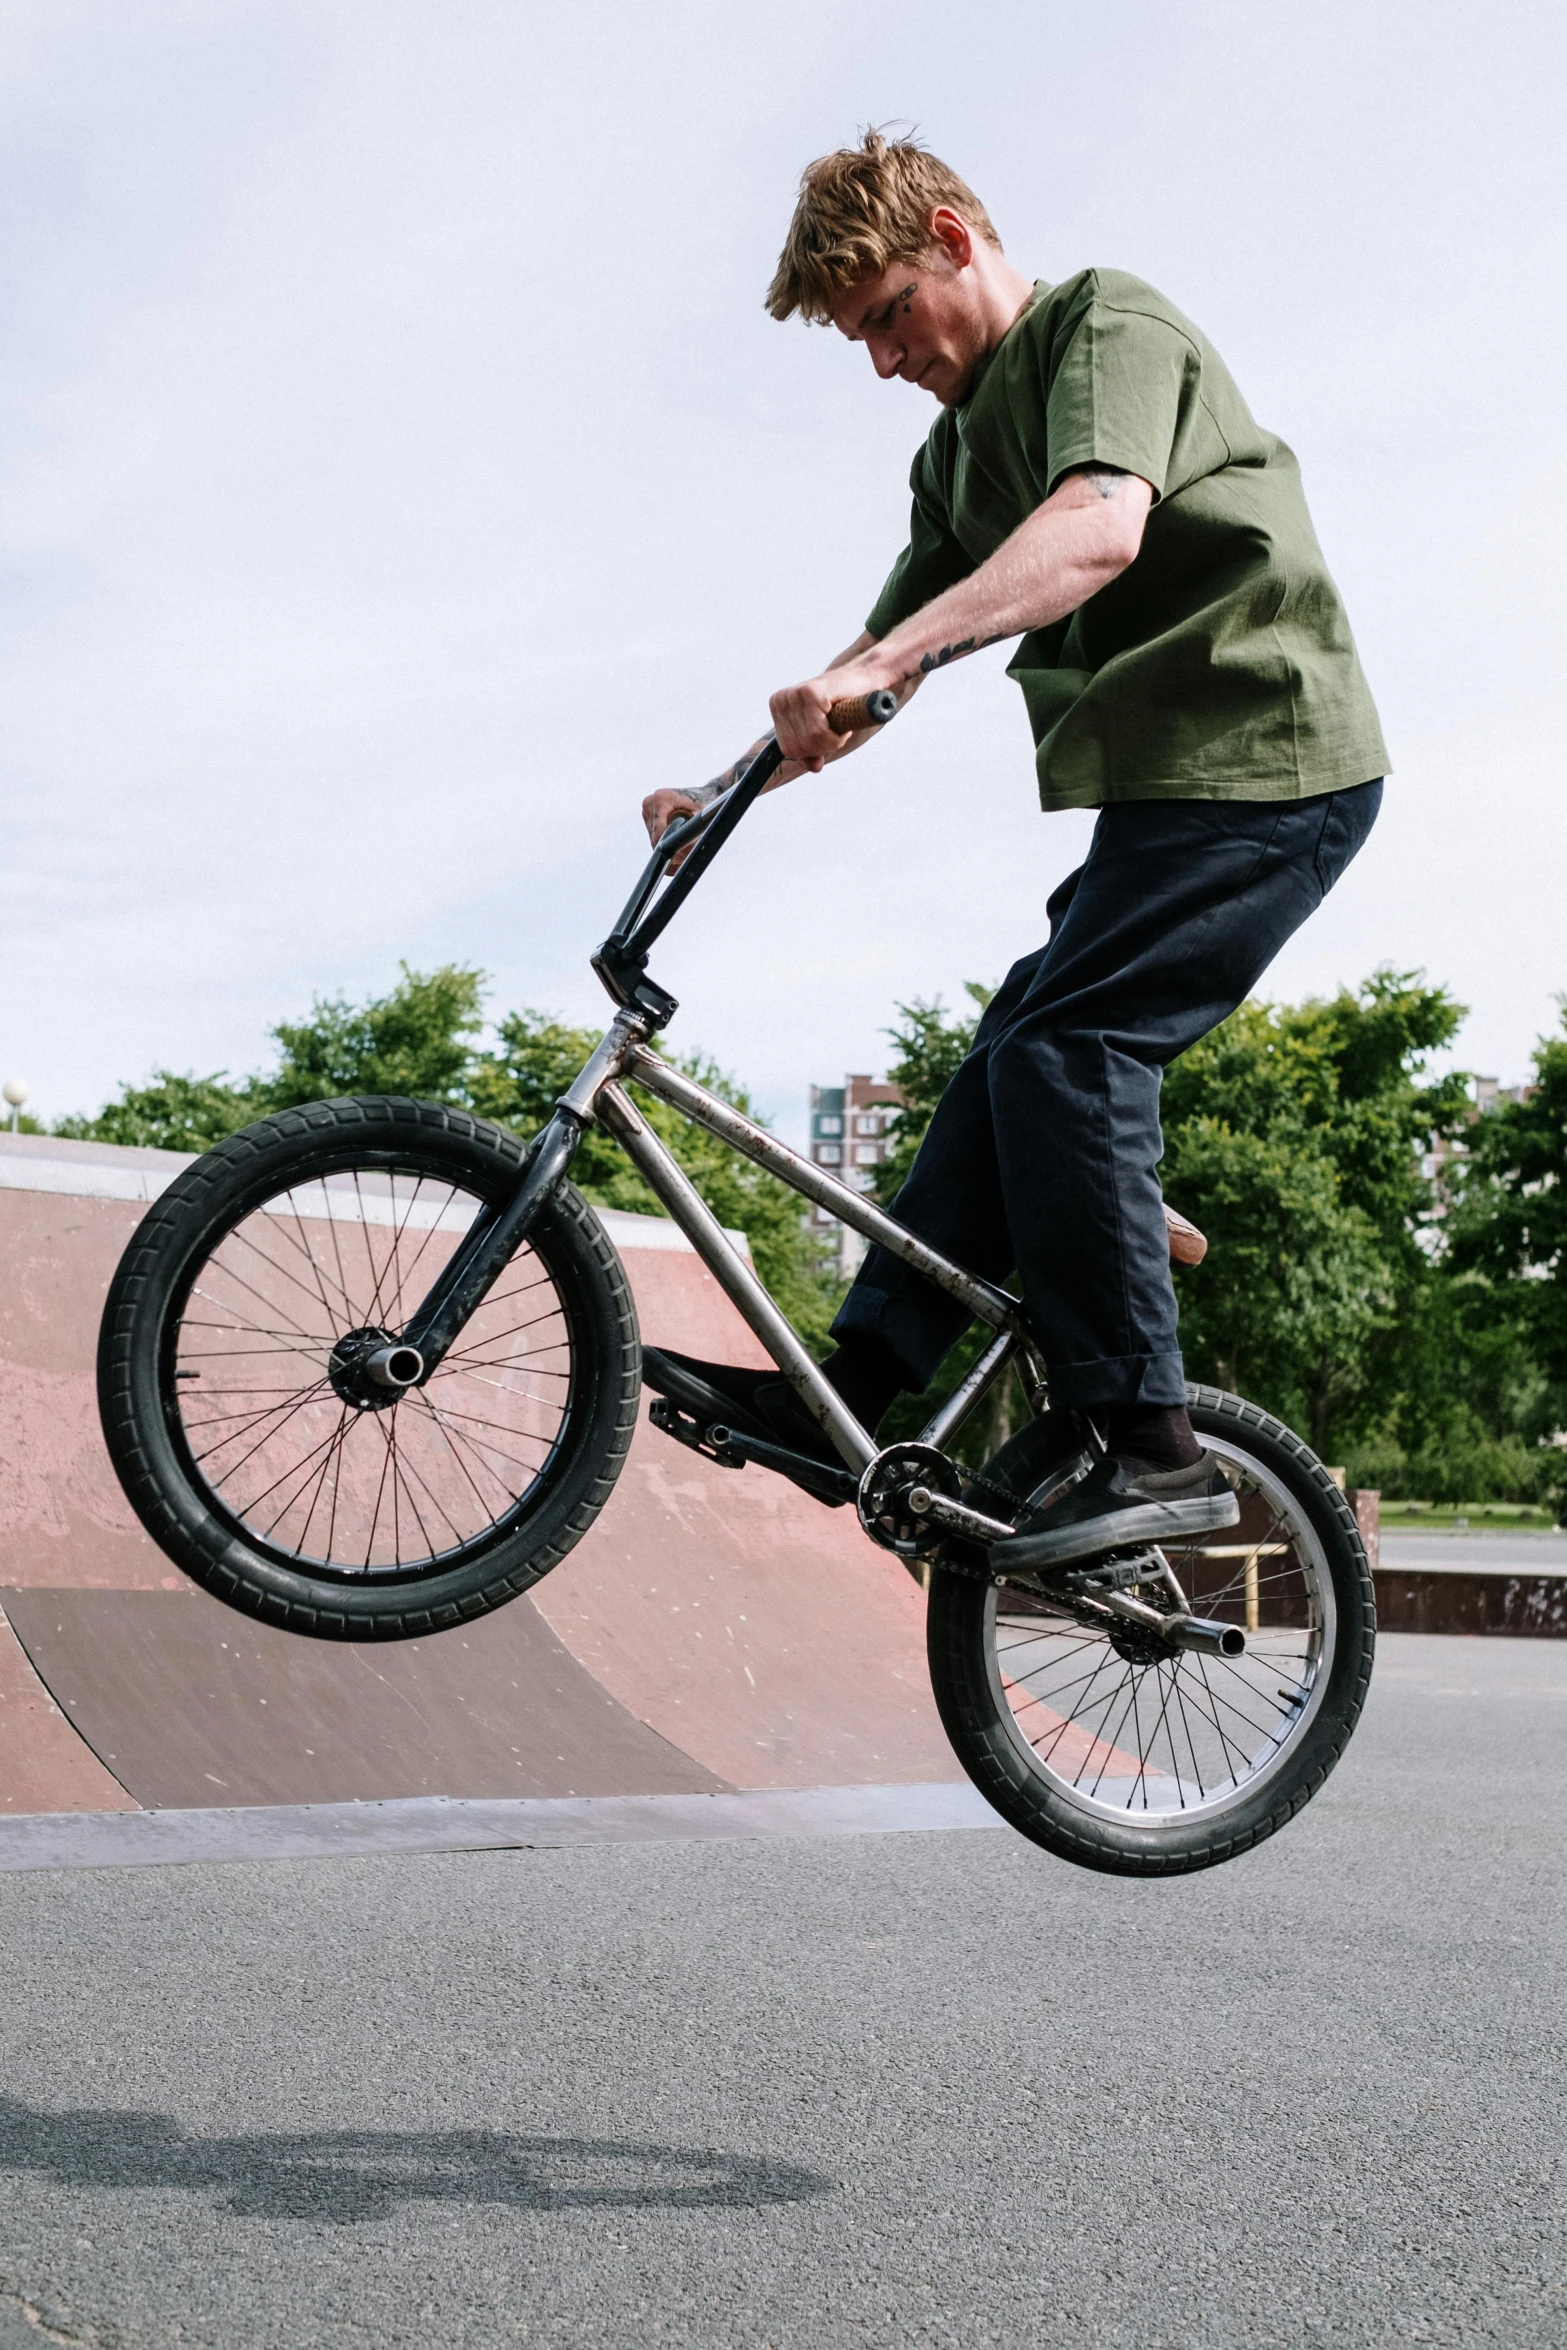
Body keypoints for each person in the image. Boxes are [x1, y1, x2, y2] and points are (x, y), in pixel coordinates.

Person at [639, 131, 1387, 1570]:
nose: (878, 361)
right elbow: (874, 663)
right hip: (1170, 799)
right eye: (853, 339)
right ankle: (847, 1393)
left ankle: (1154, 1455)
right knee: (1009, 1051)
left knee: (1068, 1054)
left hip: (1278, 766)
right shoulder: (954, 458)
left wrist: (892, 662)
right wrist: (721, 789)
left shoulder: (1106, 325)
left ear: (949, 235)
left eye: (882, 317)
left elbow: (1097, 527)